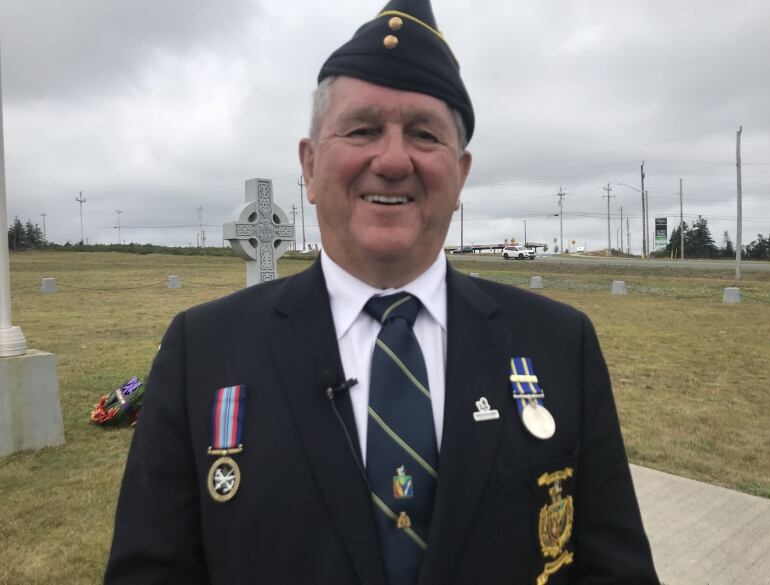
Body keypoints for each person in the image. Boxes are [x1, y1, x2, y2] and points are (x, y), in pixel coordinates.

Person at [105, 1, 659, 584]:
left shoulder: (558, 344)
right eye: (363, 129)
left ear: (462, 174)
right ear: (310, 165)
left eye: (424, 134)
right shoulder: (204, 352)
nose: (393, 160)